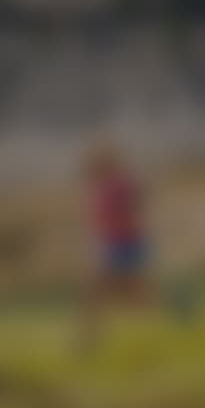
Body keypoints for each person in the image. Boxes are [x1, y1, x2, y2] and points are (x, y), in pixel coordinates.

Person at [77, 144, 161, 353]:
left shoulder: (120, 185)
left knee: (104, 294)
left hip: (124, 245)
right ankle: (89, 341)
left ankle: (88, 341)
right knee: (126, 296)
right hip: (118, 245)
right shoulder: (106, 186)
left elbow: (133, 208)